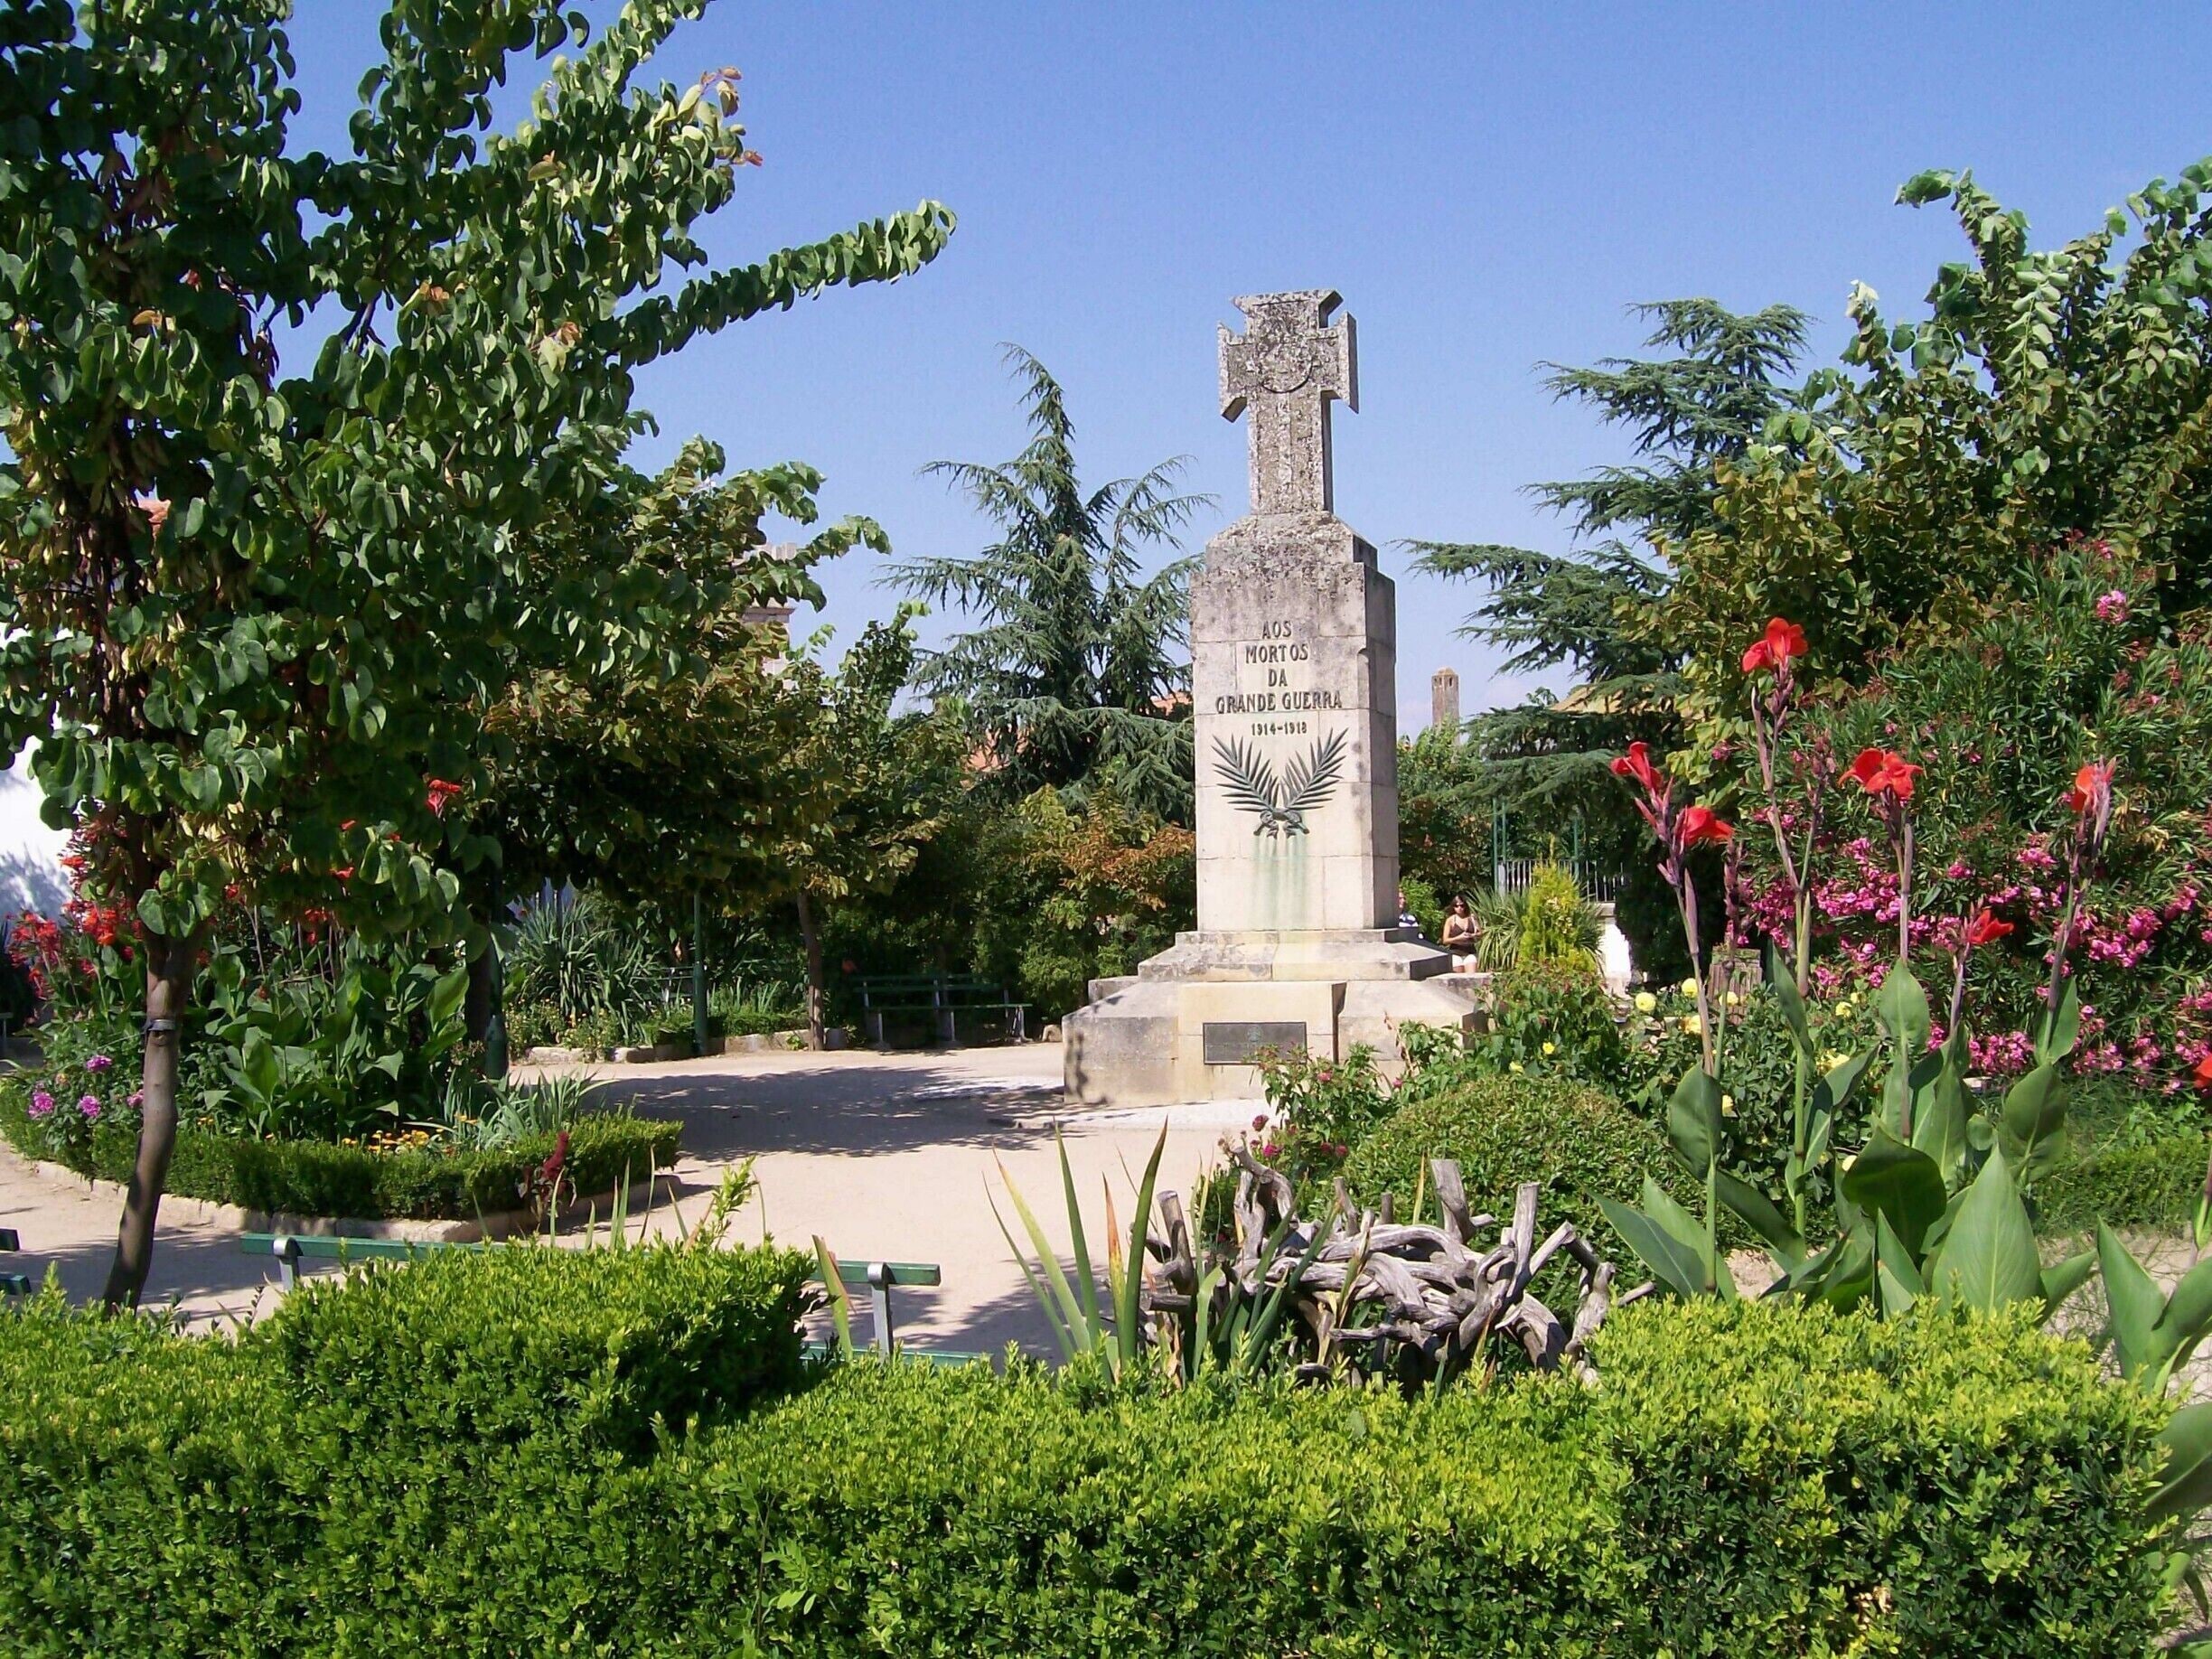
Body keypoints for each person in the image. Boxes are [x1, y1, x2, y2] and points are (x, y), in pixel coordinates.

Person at [1440, 894, 1479, 972]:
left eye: (1462, 905)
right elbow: (1445, 940)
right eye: (1456, 906)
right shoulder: (1450, 920)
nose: (1460, 908)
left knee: (1472, 978)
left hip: (1470, 952)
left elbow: (1480, 933)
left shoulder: (1471, 918)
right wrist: (1459, 938)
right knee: (1458, 980)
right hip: (1456, 953)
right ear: (1453, 907)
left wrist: (1472, 935)